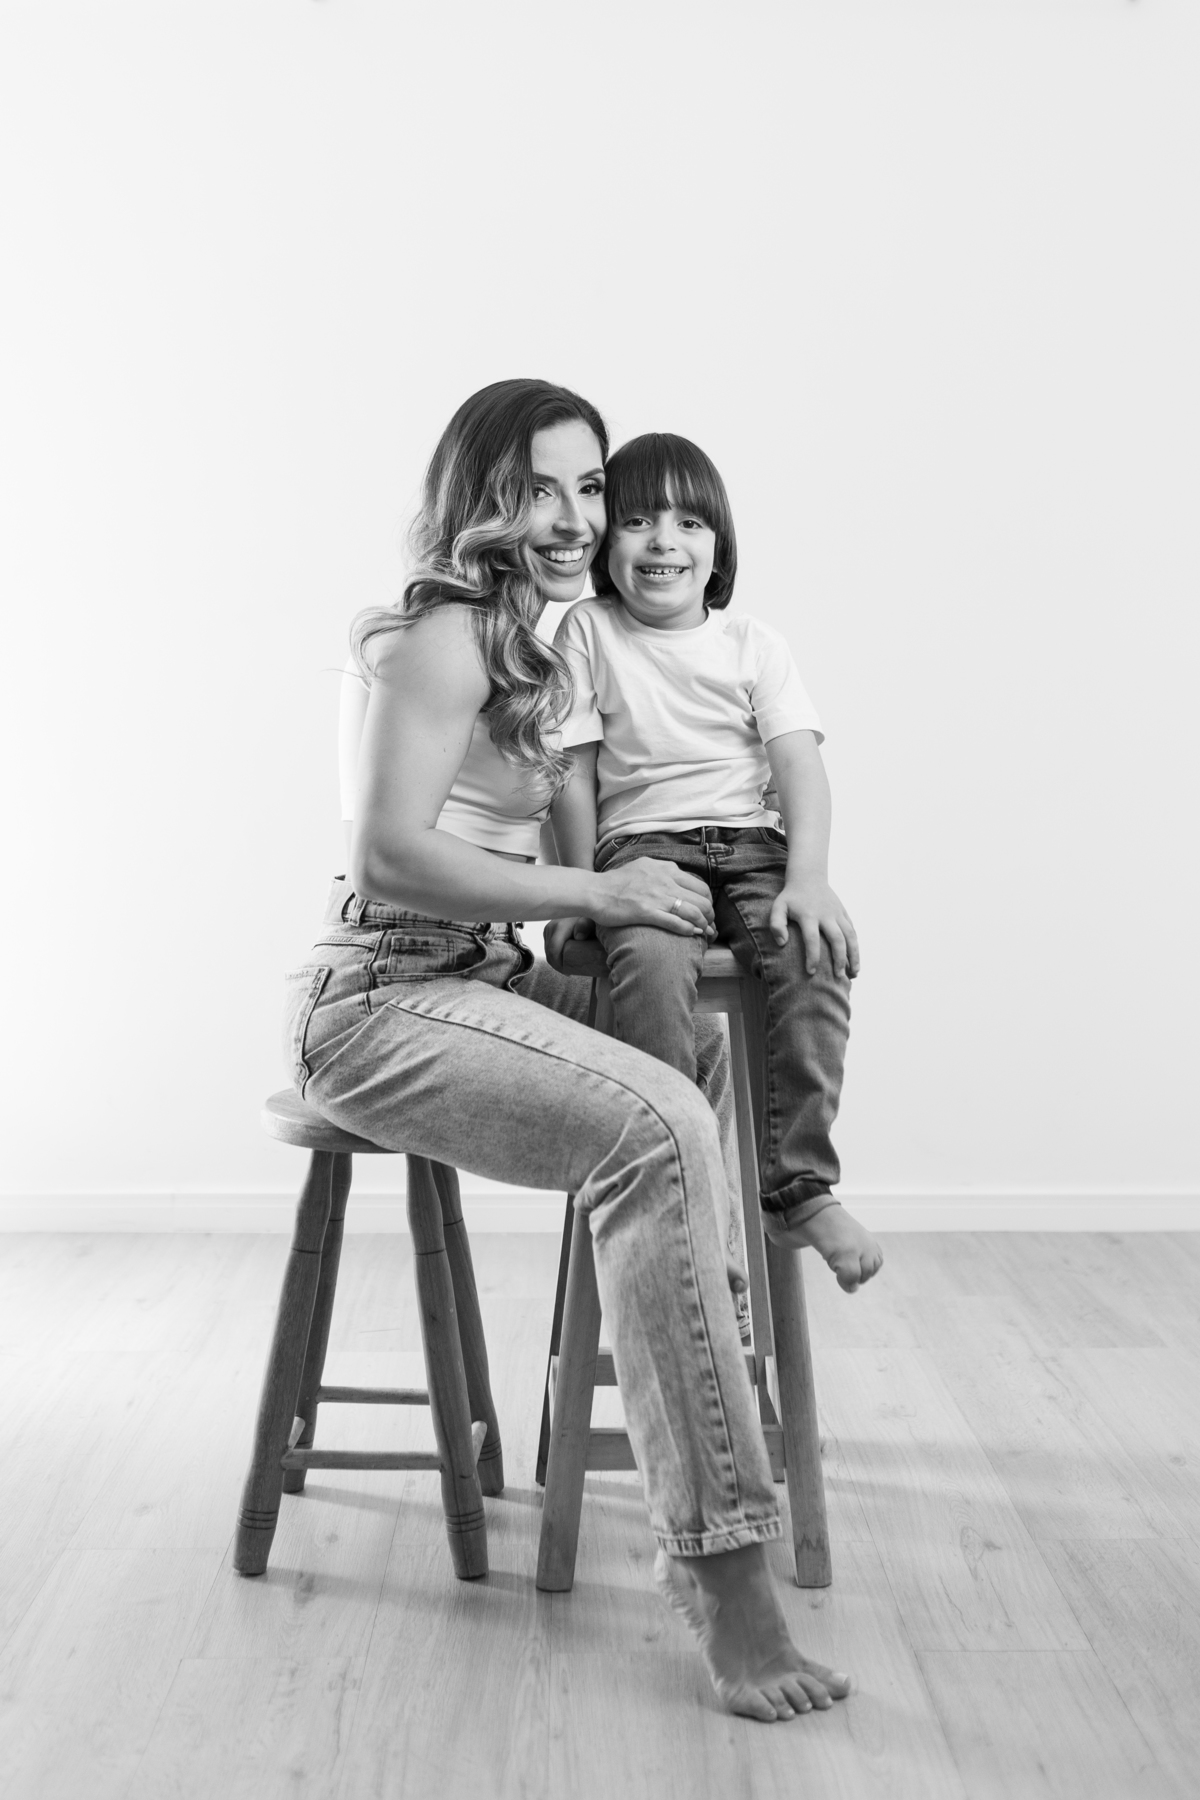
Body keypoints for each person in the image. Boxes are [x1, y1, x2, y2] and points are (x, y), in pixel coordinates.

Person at [288, 379, 852, 1722]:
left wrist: (695, 891)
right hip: (380, 996)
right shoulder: (440, 636)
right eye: (538, 489)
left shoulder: (545, 643)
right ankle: (722, 1575)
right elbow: (390, 853)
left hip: (482, 973)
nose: (574, 518)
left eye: (589, 487)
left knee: (694, 1061)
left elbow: (572, 846)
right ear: (481, 498)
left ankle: (699, 1347)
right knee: (657, 1127)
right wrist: (600, 891)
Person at [546, 433, 883, 1294]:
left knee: (813, 953)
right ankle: (675, 1177)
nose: (663, 540)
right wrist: (585, 887)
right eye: (637, 521)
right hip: (643, 850)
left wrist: (809, 879)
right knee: (653, 971)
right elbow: (573, 773)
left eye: (688, 522)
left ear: (719, 546)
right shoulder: (589, 630)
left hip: (751, 843)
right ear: (605, 544)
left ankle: (799, 1187)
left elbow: (800, 766)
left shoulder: (753, 643)